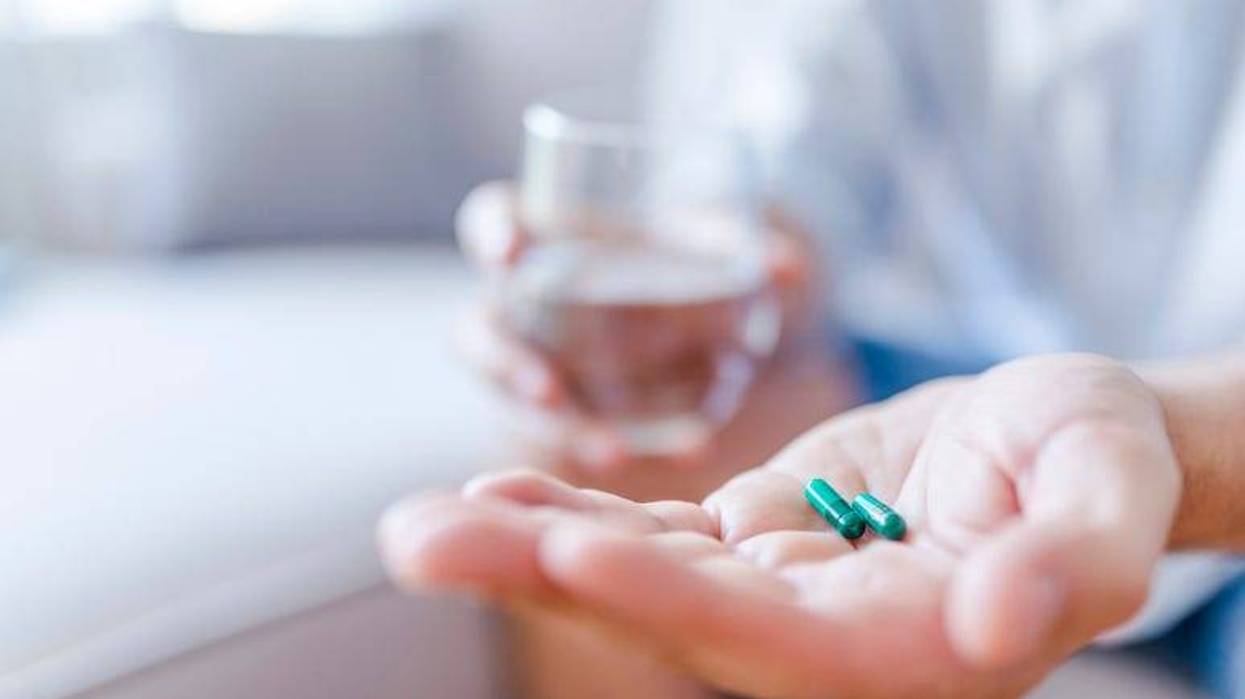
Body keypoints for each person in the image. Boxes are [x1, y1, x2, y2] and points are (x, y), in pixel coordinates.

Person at [384, 2, 1245, 696]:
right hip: (972, 372)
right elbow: (795, 154)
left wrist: (1191, 441)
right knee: (612, 423)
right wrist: (688, 284)